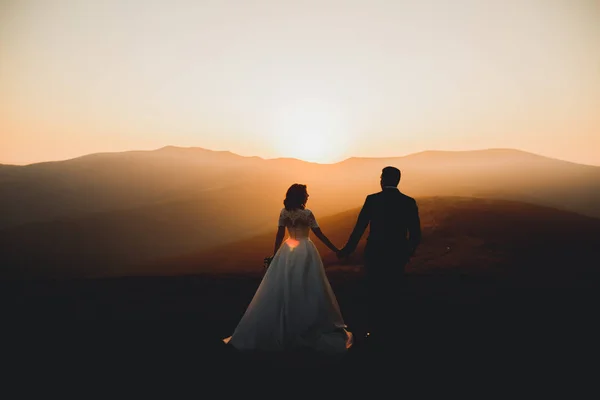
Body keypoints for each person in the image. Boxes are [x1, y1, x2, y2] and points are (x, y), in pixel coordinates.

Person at [224, 184, 353, 353]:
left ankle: (285, 322)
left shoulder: (284, 212)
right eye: (306, 194)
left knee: (285, 286)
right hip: (306, 251)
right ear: (300, 196)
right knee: (308, 287)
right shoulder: (307, 214)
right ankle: (306, 322)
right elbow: (319, 234)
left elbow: (279, 235)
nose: (308, 196)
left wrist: (275, 255)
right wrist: (337, 250)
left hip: (288, 252)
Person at [338, 166, 421, 346]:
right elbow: (416, 235)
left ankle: (374, 332)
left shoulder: (372, 200)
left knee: (375, 292)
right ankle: (394, 332)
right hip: (397, 255)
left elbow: (359, 228)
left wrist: (346, 250)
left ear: (383, 180)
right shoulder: (408, 202)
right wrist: (407, 253)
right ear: (397, 180)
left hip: (375, 254)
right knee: (394, 291)